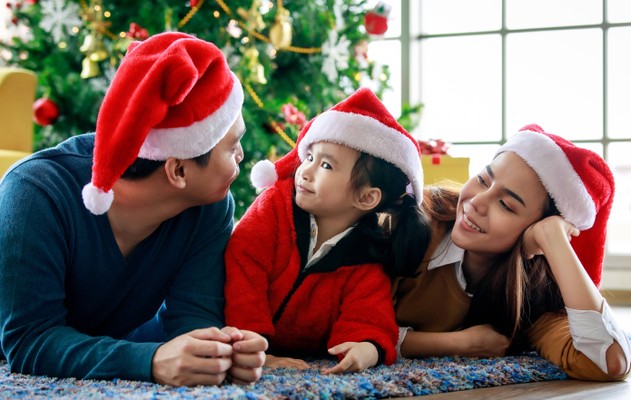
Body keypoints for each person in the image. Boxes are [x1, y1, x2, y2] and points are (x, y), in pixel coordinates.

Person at [0, 32, 267, 387]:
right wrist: (150, 360)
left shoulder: (209, 205)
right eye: (233, 145)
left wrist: (218, 352)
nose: (242, 156)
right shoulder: (34, 193)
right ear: (178, 171)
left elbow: (194, 317)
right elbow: (27, 341)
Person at [392, 124, 631, 381]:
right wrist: (459, 343)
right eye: (484, 179)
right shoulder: (413, 219)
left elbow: (609, 361)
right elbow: (348, 327)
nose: (478, 202)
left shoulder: (533, 299)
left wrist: (554, 240)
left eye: (506, 205)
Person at [224, 88, 430, 374]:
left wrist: (366, 349)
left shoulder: (365, 254)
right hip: (240, 335)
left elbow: (370, 317)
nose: (304, 171)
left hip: (303, 349)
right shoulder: (274, 206)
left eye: (325, 165)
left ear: (367, 198)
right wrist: (256, 348)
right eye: (309, 157)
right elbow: (244, 269)